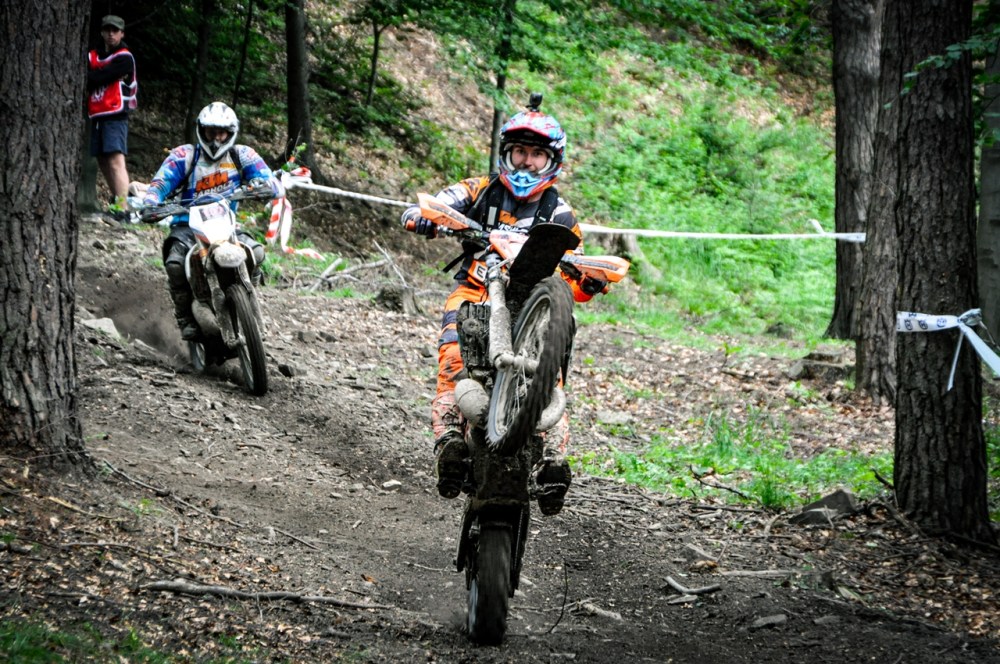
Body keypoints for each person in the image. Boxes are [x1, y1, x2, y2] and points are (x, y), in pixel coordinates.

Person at [400, 96, 607, 515]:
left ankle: (552, 464)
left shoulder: (560, 213)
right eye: (519, 152)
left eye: (535, 154)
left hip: (530, 305)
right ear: (506, 153)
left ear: (551, 160)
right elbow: (434, 203)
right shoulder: (478, 189)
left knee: (550, 376)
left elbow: (579, 275)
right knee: (453, 361)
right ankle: (450, 447)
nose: (526, 162)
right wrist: (423, 216)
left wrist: (589, 278)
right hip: (475, 293)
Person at [142, 102, 283, 341]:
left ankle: (248, 293)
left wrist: (263, 187)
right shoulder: (184, 156)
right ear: (201, 130)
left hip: (225, 224)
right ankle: (185, 317)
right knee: (175, 263)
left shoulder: (243, 155)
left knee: (257, 253)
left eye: (222, 132)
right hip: (187, 225)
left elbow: (268, 179)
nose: (216, 139)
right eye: (210, 132)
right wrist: (152, 202)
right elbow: (160, 183)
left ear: (231, 132)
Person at [87, 14, 137, 219]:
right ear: (101, 32)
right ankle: (116, 202)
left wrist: (91, 76)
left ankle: (123, 209)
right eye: (107, 30)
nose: (111, 34)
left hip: (116, 115)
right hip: (98, 114)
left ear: (122, 33)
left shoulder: (125, 58)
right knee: (102, 159)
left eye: (115, 30)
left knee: (116, 161)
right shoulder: (93, 55)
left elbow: (98, 77)